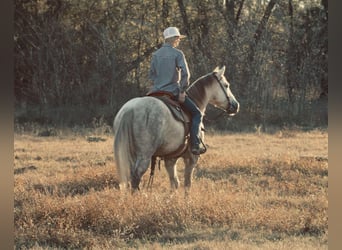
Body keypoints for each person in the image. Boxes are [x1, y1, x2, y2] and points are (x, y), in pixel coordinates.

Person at [149, 27, 206, 155]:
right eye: (178, 38)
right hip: (172, 92)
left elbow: (151, 75)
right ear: (174, 38)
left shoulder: (155, 54)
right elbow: (186, 74)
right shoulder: (178, 54)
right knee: (197, 114)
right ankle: (195, 144)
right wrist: (182, 91)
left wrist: (156, 86)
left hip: (156, 92)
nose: (179, 40)